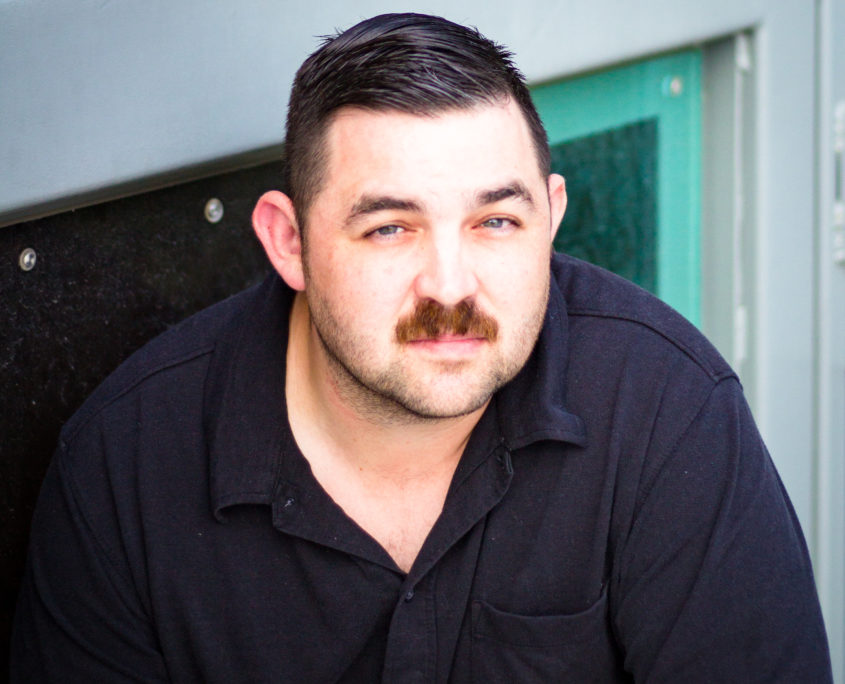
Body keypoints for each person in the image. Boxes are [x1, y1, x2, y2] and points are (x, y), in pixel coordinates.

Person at [11, 12, 832, 683]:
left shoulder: (663, 408)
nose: (449, 285)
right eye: (390, 228)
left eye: (495, 222)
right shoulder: (125, 466)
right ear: (289, 242)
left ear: (550, 217)